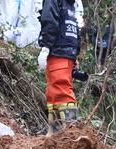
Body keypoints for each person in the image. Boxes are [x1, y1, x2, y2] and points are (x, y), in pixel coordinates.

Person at [38, 0, 82, 134]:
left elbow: (49, 20)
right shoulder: (70, 4)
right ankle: (54, 136)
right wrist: (75, 54)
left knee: (61, 93)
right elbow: (76, 28)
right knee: (54, 95)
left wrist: (45, 47)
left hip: (58, 50)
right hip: (66, 52)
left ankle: (72, 134)